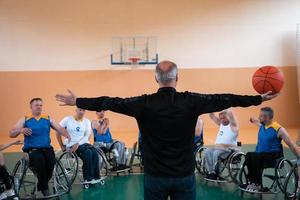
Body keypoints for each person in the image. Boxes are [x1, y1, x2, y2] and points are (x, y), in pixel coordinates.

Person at [56, 60, 277, 200]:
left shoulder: (143, 104)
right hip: (184, 176)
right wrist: (257, 98)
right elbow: (223, 98)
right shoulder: (191, 101)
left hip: (155, 177)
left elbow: (110, 101)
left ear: (156, 79)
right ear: (177, 78)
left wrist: (79, 100)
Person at [9, 98, 69, 196]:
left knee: (51, 163)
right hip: (32, 149)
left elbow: (60, 128)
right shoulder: (25, 119)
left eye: (41, 105)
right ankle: (45, 189)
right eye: (36, 105)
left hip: (47, 148)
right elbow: (11, 133)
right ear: (31, 107)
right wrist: (20, 130)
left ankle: (40, 184)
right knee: (40, 161)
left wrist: (67, 135)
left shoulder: (47, 118)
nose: (39, 107)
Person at [243, 107, 300, 192]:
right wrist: (253, 120)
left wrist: (299, 156)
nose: (259, 117)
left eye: (260, 116)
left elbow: (291, 145)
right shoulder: (263, 126)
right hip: (260, 156)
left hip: (273, 158)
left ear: (266, 117)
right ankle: (252, 182)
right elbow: (257, 122)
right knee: (249, 155)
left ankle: (257, 185)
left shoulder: (279, 129)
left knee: (255, 156)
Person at [56, 108, 100, 186]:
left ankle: (96, 176)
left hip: (82, 143)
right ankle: (87, 178)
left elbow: (87, 136)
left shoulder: (87, 121)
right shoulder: (68, 119)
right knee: (88, 154)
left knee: (95, 153)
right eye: (80, 110)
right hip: (71, 145)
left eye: (83, 110)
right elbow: (57, 130)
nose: (82, 112)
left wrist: (78, 144)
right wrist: (62, 145)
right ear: (76, 110)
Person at [204, 109, 239, 180]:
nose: (222, 120)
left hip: (229, 149)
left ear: (228, 117)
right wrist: (211, 106)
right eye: (221, 118)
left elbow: (231, 115)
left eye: (224, 118)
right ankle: (211, 172)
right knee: (207, 151)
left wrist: (224, 105)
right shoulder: (221, 125)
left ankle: (217, 173)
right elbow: (212, 116)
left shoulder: (233, 126)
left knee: (216, 153)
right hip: (218, 147)